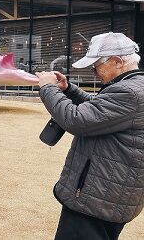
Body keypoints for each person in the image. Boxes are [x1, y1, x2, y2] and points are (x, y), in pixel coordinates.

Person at [36, 32, 144, 240]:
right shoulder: (134, 86)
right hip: (110, 192)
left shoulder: (128, 93)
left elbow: (76, 120)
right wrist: (69, 90)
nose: (94, 71)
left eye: (96, 65)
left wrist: (48, 88)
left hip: (96, 199)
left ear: (117, 61)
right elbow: (100, 109)